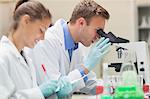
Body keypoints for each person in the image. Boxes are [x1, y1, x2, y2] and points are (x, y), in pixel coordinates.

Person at [29, 0, 111, 98]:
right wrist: (85, 68)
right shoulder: (46, 42)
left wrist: (111, 88)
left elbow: (89, 83)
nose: (99, 37)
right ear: (81, 23)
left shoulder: (76, 45)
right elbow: (57, 90)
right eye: (98, 31)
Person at [0, 0, 58, 99]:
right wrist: (38, 92)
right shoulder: (3, 56)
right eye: (41, 30)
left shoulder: (26, 59)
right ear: (26, 21)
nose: (43, 38)